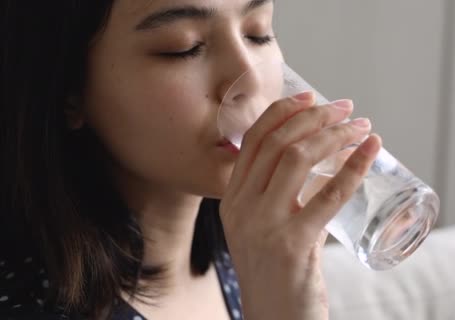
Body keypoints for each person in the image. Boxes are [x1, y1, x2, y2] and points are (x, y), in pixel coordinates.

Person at [0, 0, 381, 319]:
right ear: (70, 91)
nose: (248, 77)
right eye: (182, 48)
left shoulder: (242, 254)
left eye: (257, 32)